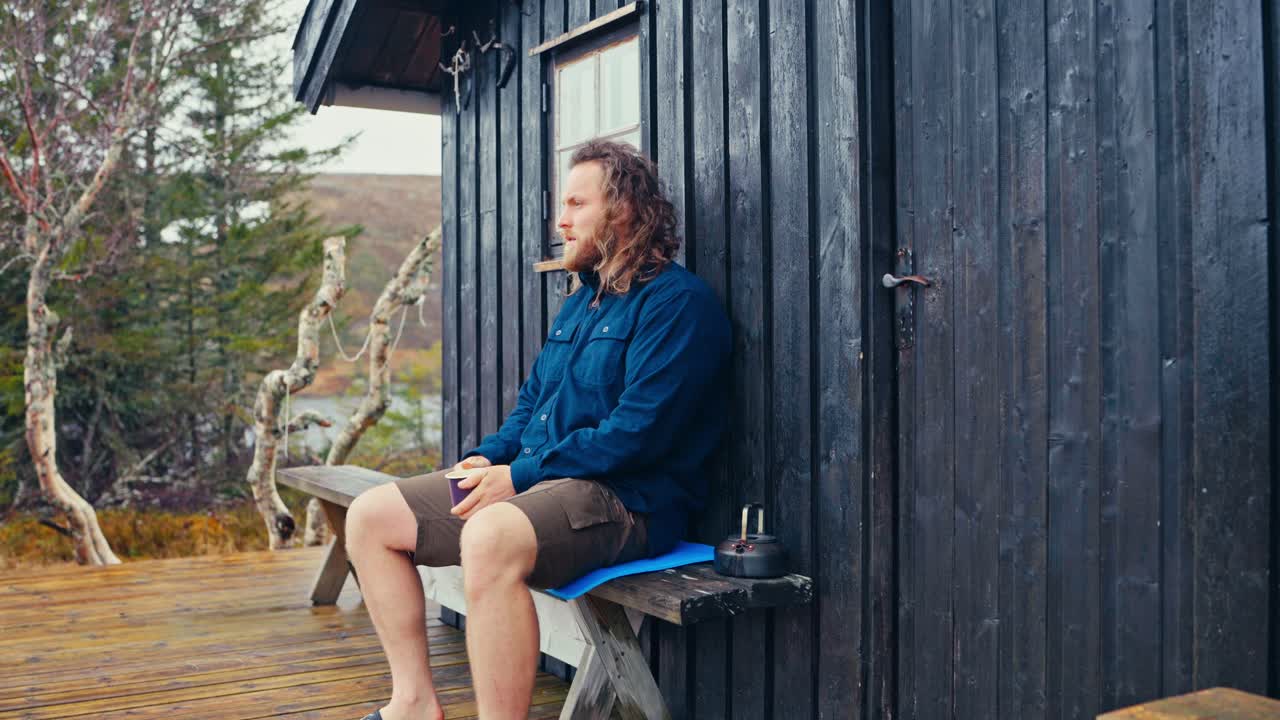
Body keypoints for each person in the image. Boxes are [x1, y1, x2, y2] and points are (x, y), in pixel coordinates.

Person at [344, 139, 732, 720]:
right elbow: (531, 411)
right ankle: (414, 703)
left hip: (630, 502)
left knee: (489, 535)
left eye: (577, 203)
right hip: (541, 484)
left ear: (622, 211)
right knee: (371, 516)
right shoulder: (583, 304)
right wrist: (488, 458)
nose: (561, 219)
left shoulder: (678, 305)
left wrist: (519, 474)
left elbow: (636, 434)